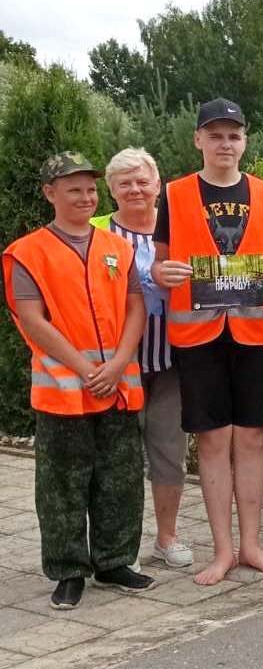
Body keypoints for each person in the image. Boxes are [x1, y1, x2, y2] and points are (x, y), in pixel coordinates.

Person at [152, 99, 263, 586]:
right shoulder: (173, 195)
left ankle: (252, 545)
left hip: (254, 332)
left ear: (244, 141)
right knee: (213, 441)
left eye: (233, 135)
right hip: (199, 334)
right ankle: (222, 551)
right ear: (198, 140)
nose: (224, 144)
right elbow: (160, 264)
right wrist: (161, 272)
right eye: (214, 135)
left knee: (253, 438)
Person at [3, 152, 154, 609]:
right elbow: (32, 319)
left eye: (90, 189)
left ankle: (114, 562)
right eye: (74, 189)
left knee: (120, 479)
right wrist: (87, 369)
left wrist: (119, 362)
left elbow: (135, 308)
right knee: (62, 485)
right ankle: (68, 570)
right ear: (50, 193)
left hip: (118, 388)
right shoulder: (26, 253)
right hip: (64, 391)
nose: (85, 197)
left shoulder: (116, 247)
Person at [92, 148, 192, 568]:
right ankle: (120, 547)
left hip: (172, 362)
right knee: (117, 458)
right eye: (124, 182)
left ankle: (166, 539)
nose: (134, 189)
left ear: (157, 185)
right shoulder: (95, 232)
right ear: (111, 190)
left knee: (170, 453)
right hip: (117, 365)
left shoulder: (180, 228)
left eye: (141, 181)